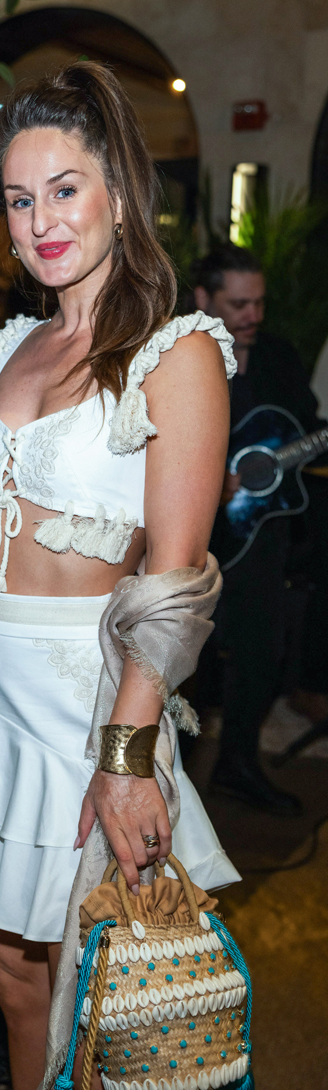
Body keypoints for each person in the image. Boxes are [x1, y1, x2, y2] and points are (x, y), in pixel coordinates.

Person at [0, 65, 240, 1090]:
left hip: (95, 712)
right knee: (15, 979)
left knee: (116, 1012)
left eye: (64, 189)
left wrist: (124, 760)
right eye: (19, 199)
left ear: (118, 190)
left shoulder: (176, 352)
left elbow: (176, 581)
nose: (41, 222)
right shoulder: (8, 347)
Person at [193, 244, 322, 815]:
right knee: (186, 663)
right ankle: (171, 775)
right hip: (195, 538)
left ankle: (238, 764)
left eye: (259, 303)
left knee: (263, 653)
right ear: (204, 298)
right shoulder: (180, 354)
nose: (253, 315)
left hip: (262, 537)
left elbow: (307, 429)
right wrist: (203, 476)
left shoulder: (278, 357)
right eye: (239, 304)